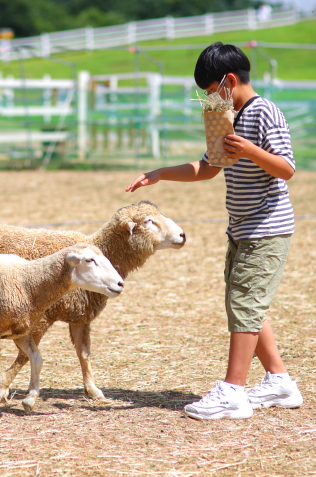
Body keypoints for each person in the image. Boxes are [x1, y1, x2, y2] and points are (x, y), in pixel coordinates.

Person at [125, 41, 302, 420]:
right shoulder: (225, 115)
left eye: (211, 92)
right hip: (241, 228)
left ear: (230, 80)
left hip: (266, 227)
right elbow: (208, 167)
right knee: (244, 301)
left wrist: (249, 150)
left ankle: (232, 393)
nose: (210, 100)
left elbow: (286, 168)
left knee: (245, 303)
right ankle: (279, 382)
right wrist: (159, 174)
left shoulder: (265, 112)